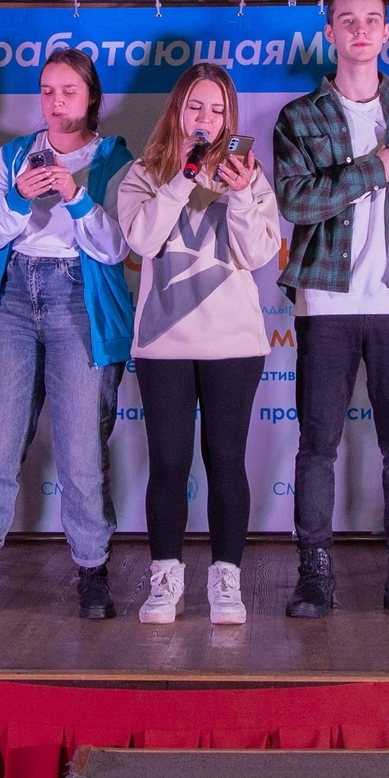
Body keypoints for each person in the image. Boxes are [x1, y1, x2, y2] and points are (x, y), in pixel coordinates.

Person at [272, 0, 389, 620]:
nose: (359, 30)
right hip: (325, 300)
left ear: (385, 34)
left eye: (371, 20)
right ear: (329, 33)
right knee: (317, 445)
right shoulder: (299, 117)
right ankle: (314, 573)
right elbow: (295, 202)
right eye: (347, 20)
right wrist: (374, 169)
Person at [0, 49, 137, 619]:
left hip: (78, 297)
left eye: (68, 91)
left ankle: (92, 571)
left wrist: (75, 197)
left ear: (91, 97)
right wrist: (18, 196)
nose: (56, 102)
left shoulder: (113, 157)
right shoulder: (15, 155)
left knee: (81, 451)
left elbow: (117, 247)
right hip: (14, 297)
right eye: (48, 91)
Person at [115, 63, 281, 627]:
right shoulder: (142, 173)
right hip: (163, 344)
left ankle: (226, 581)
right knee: (167, 463)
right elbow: (142, 240)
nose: (205, 118)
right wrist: (184, 176)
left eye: (216, 109)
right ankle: (166, 579)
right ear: (178, 112)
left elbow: (257, 255)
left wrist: (241, 193)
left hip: (233, 343)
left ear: (229, 117)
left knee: (226, 462)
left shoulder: (250, 176)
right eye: (195, 107)